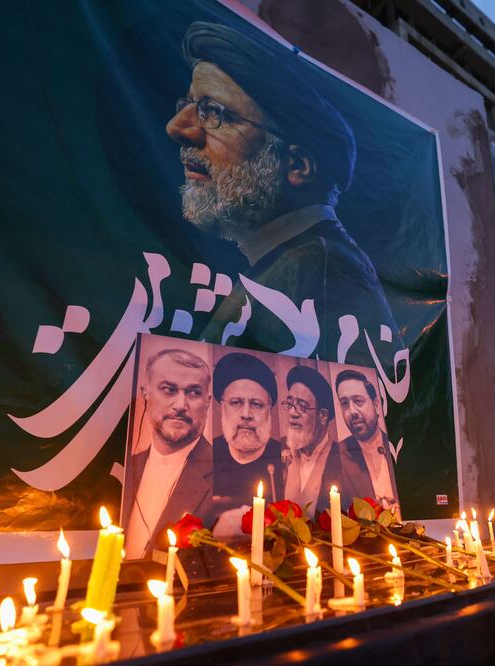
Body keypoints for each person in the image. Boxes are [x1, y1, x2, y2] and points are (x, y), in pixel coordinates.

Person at [168, 21, 402, 367]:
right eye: (188, 105)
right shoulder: (286, 263)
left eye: (213, 112)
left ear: (297, 166)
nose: (177, 127)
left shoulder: (310, 270)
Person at [122, 348, 213, 559]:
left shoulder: (226, 475)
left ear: (207, 401)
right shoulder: (127, 466)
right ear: (146, 392)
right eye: (169, 389)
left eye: (193, 393)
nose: (181, 405)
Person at [211, 352, 284, 519]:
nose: (246, 414)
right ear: (223, 408)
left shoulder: (286, 461)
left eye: (256, 404)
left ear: (269, 411)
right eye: (236, 402)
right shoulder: (206, 456)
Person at [328, 369, 399, 514]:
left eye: (358, 401)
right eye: (345, 404)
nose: (352, 411)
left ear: (377, 406)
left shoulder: (397, 447)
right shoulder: (336, 456)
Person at [281, 366, 336, 512]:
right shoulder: (277, 448)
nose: (292, 413)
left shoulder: (341, 457)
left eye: (302, 406)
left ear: (323, 416)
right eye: (290, 404)